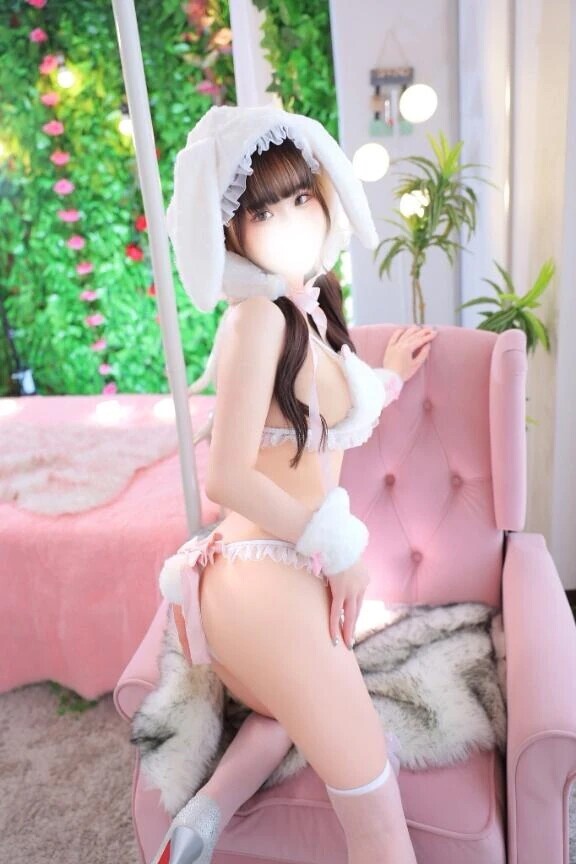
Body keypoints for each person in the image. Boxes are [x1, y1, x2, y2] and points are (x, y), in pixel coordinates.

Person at [153, 104, 437, 864]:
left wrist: (386, 379)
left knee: (293, 713)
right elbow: (227, 474)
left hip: (271, 583)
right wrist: (340, 552)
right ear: (231, 230)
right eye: (262, 211)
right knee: (380, 824)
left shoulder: (305, 310)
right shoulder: (257, 320)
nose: (288, 222)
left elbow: (317, 421)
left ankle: (201, 820)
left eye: (300, 198)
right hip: (263, 577)